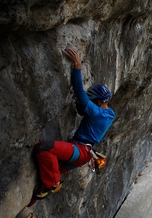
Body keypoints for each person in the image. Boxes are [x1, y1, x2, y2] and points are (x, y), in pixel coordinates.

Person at [32, 47, 116, 200]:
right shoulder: (109, 114)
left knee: (44, 148)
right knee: (45, 180)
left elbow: (80, 92)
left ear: (97, 101)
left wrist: (77, 66)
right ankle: (40, 194)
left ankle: (54, 184)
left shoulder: (97, 112)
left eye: (91, 102)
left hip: (80, 150)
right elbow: (83, 109)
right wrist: (79, 102)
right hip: (84, 154)